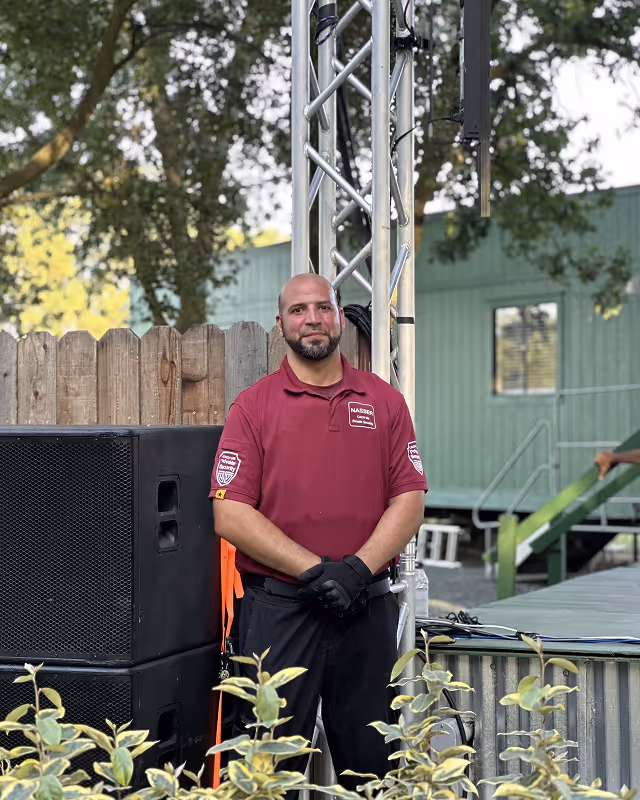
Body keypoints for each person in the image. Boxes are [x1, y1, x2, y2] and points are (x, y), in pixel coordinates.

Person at [210, 273, 426, 786]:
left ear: (338, 316)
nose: (313, 319)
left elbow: (410, 500)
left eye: (323, 308)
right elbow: (230, 513)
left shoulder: (384, 402)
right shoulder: (253, 407)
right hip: (279, 612)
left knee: (375, 769)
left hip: (364, 608)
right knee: (268, 770)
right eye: (299, 310)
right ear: (280, 323)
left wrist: (355, 570)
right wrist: (316, 572)